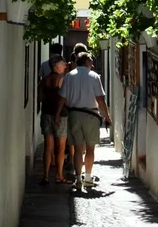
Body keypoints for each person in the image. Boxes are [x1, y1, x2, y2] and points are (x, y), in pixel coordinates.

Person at [56, 51, 112, 189]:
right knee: (90, 148)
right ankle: (87, 177)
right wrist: (107, 116)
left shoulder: (69, 76)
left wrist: (57, 114)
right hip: (91, 115)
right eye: (91, 60)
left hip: (74, 114)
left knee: (78, 148)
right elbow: (100, 99)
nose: (92, 63)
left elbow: (62, 98)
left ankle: (78, 178)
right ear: (86, 61)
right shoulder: (94, 76)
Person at [38, 55, 73, 185]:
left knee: (48, 146)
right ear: (56, 66)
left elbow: (40, 98)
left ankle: (46, 176)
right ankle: (59, 176)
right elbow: (65, 99)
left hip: (46, 113)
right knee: (61, 147)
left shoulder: (44, 80)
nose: (65, 66)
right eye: (63, 64)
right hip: (61, 115)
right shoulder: (62, 80)